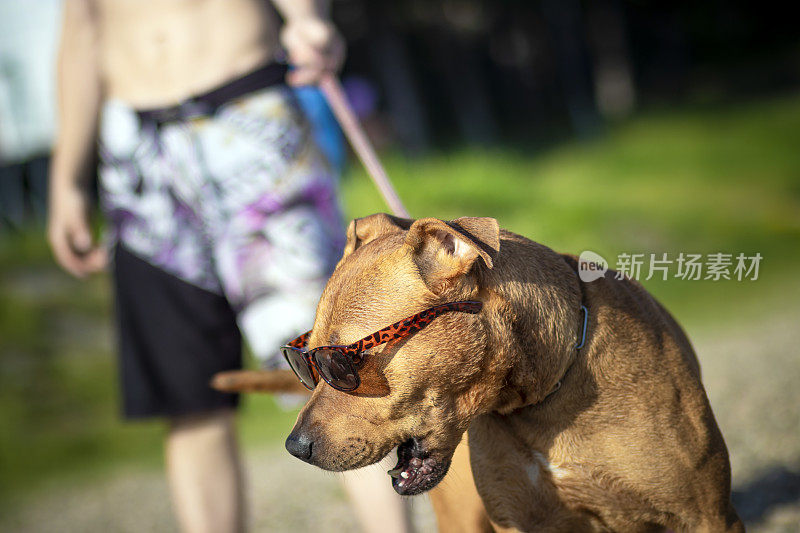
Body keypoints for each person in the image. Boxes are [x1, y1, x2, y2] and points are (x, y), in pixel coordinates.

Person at [47, 1, 411, 532]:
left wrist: (306, 16)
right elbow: (81, 28)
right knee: (192, 394)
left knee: (335, 369)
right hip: (138, 154)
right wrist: (66, 179)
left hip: (251, 114)